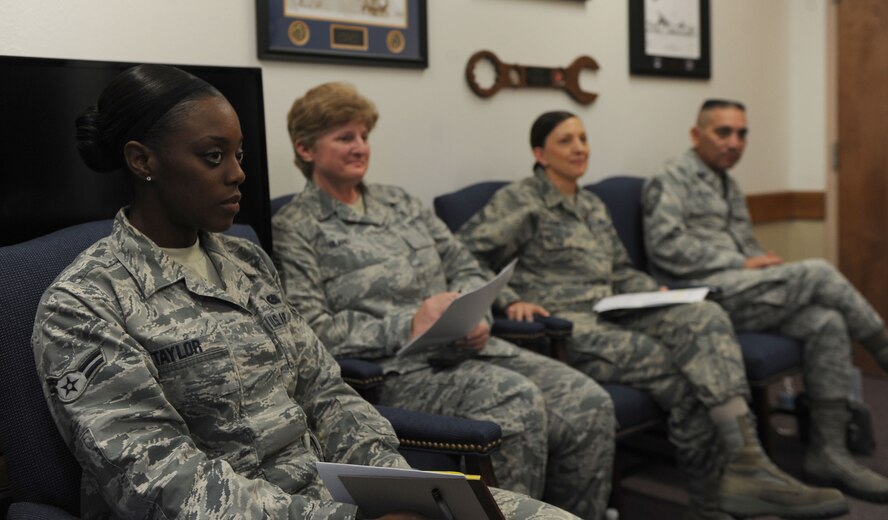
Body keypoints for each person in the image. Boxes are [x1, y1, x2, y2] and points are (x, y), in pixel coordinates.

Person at [31, 65, 576, 520]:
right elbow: (157, 483)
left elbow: (326, 392)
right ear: (142, 160)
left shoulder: (245, 260)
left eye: (240, 155)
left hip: (337, 496)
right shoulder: (82, 304)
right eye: (214, 156)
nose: (239, 174)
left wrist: (400, 492)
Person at [457, 110, 849, 520]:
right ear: (540, 152)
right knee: (686, 373)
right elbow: (466, 253)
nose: (580, 148)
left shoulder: (591, 203)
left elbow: (621, 270)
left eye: (584, 138)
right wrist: (510, 299)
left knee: (705, 315)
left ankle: (746, 461)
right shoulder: (521, 200)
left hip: (610, 308)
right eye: (566, 141)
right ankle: (713, 501)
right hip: (567, 324)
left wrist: (653, 293)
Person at [272, 82, 614, 519]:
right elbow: (312, 331)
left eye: (363, 136)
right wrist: (410, 323)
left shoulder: (402, 203)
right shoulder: (296, 226)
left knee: (591, 403)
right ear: (305, 149)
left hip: (471, 346)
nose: (360, 147)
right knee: (517, 400)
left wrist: (479, 316)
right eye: (344, 138)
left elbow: (466, 265)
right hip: (399, 370)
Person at [642, 98, 888, 503]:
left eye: (742, 134)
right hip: (702, 298)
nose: (735, 142)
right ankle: (882, 347)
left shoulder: (727, 182)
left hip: (741, 290)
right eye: (723, 132)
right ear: (695, 134)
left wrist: (761, 267)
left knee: (826, 321)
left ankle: (829, 453)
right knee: (819, 272)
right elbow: (666, 248)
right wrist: (743, 262)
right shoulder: (671, 178)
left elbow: (749, 250)